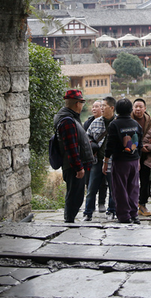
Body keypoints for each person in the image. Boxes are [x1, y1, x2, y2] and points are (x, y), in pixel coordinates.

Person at [53, 89, 95, 223]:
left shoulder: (69, 117)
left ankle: (70, 219)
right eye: (81, 103)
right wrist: (78, 167)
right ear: (77, 104)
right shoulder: (67, 121)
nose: (82, 106)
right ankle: (69, 220)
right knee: (74, 195)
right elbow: (70, 147)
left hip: (74, 164)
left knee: (75, 194)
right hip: (73, 166)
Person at [103, 98, 143, 224]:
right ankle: (134, 214)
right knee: (133, 187)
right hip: (134, 160)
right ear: (131, 110)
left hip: (120, 161)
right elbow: (140, 144)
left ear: (117, 110)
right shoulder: (136, 125)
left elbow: (110, 145)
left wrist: (105, 161)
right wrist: (139, 160)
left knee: (120, 188)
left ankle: (124, 216)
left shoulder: (114, 124)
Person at [83, 96, 117, 221]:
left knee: (113, 188)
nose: (101, 108)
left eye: (104, 106)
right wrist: (92, 145)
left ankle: (112, 211)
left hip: (113, 161)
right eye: (100, 106)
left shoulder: (118, 122)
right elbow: (87, 137)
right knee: (91, 187)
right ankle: (88, 212)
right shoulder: (96, 122)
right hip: (97, 161)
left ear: (112, 108)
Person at [131, 98, 151, 217]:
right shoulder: (127, 119)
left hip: (145, 155)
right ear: (133, 108)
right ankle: (130, 204)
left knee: (145, 180)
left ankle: (142, 204)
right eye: (136, 107)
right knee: (130, 180)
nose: (138, 109)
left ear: (145, 108)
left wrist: (148, 145)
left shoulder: (149, 120)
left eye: (141, 107)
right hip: (130, 155)